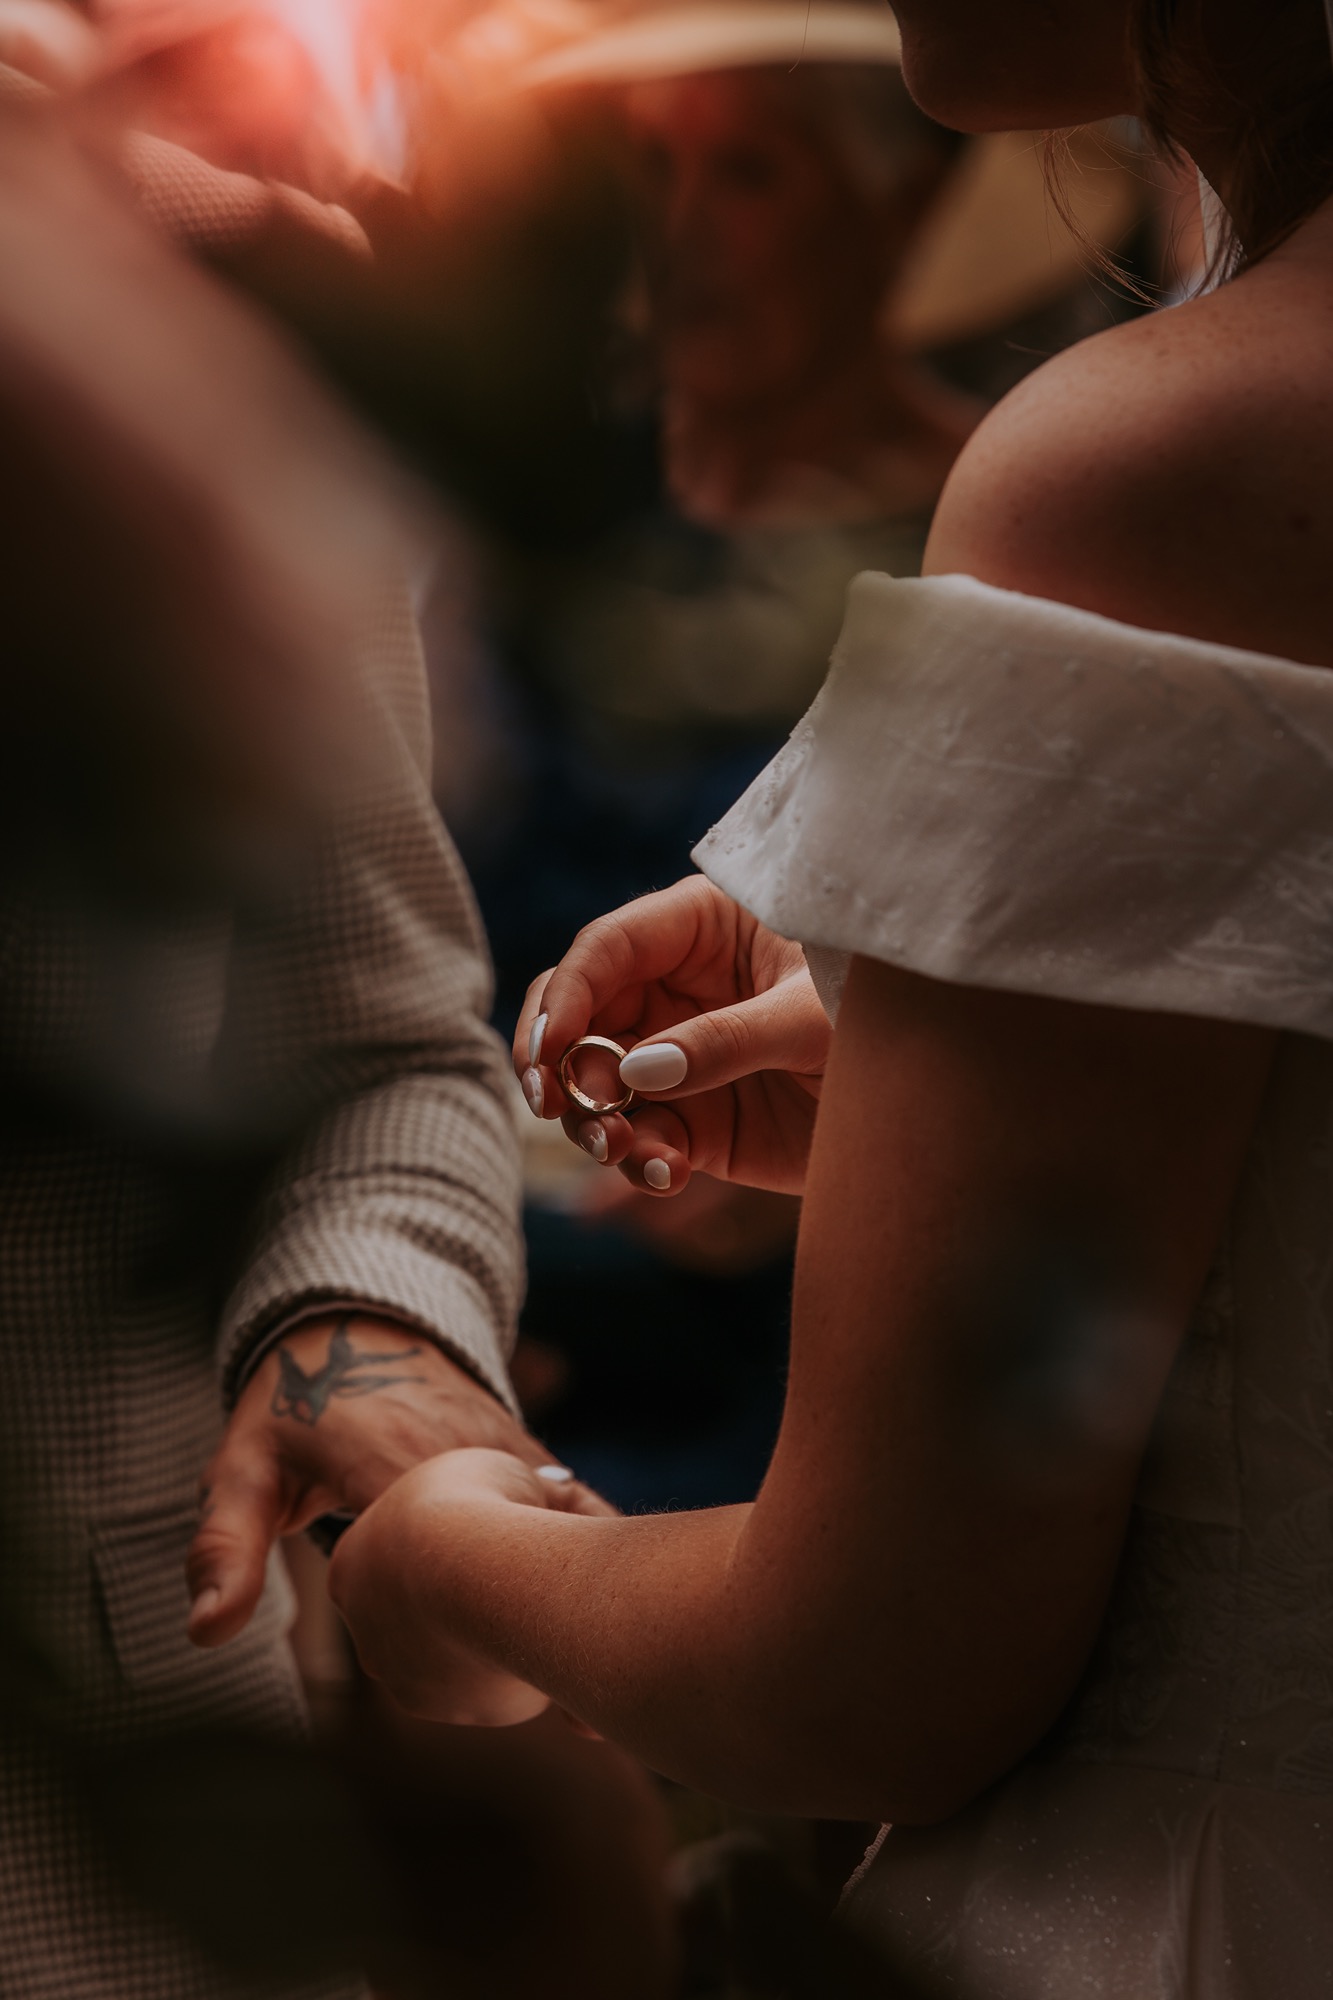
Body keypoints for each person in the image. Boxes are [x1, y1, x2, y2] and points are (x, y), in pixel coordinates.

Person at [329, 0, 1333, 1991]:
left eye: (753, 169)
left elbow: (873, 1671)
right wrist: (945, 1102)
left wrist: (436, 1560)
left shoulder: (1149, 468)